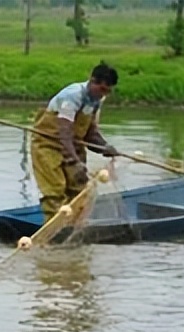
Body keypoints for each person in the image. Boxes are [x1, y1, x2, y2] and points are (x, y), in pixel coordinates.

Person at [31, 61, 120, 222]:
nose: (103, 94)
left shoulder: (96, 100)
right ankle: (55, 229)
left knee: (80, 189)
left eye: (107, 91)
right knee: (55, 190)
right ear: (92, 81)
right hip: (48, 145)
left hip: (74, 146)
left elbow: (90, 134)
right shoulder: (72, 96)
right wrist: (75, 161)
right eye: (101, 89)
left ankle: (74, 228)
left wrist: (105, 147)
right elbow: (64, 132)